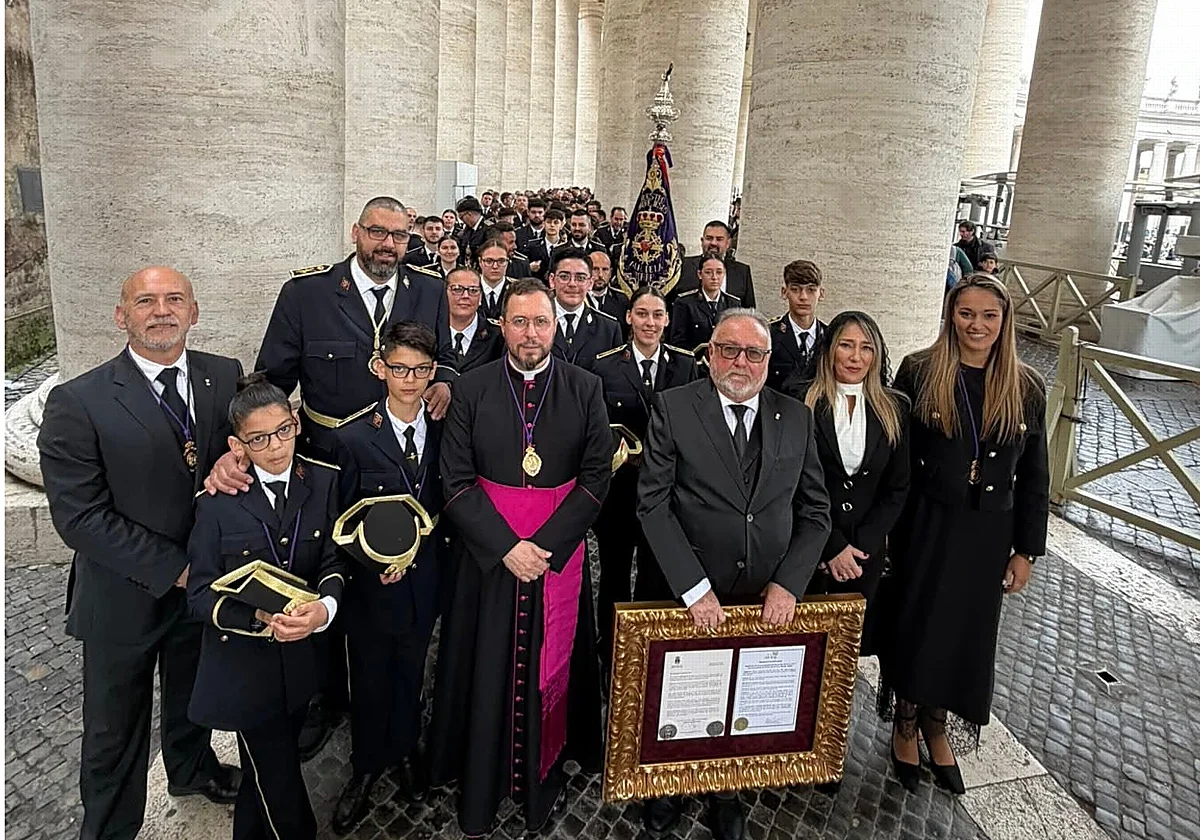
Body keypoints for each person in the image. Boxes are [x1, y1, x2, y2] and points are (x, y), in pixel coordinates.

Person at [209, 195, 457, 759]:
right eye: (377, 232)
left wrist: (448, 385)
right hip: (326, 467)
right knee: (323, 575)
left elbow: (447, 360)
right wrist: (244, 450)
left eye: (399, 234)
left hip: (406, 464)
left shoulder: (430, 289)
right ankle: (326, 695)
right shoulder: (307, 294)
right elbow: (270, 379)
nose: (388, 244)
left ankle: (395, 713)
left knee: (394, 591)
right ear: (355, 232)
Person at [38, 266, 242, 840]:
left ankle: (191, 769)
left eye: (175, 299)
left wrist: (238, 458)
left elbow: (247, 443)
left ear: (194, 312)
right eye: (145, 300)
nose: (162, 310)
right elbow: (79, 518)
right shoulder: (77, 401)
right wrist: (175, 568)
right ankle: (108, 828)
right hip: (123, 595)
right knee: (113, 730)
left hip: (200, 585)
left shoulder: (222, 375)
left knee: (192, 691)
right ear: (121, 316)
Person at [636, 308, 831, 840]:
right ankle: (669, 784)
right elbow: (652, 505)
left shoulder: (796, 417)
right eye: (729, 350)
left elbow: (816, 512)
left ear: (768, 360)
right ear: (710, 353)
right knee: (681, 698)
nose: (740, 362)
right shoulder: (674, 409)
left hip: (762, 595)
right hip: (688, 592)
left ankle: (728, 791)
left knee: (741, 703)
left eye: (754, 353)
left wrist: (790, 581)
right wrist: (693, 588)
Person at [428, 278, 611, 836]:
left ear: (555, 326)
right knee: (483, 667)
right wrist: (508, 547)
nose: (531, 334)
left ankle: (546, 768)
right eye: (519, 322)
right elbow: (455, 482)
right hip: (489, 562)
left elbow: (596, 478)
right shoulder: (474, 388)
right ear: (501, 325)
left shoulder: (585, 388)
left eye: (541, 322)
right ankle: (481, 776)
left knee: (552, 665)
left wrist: (545, 547)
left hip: (556, 560)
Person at [878, 273, 1048, 796]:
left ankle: (938, 725)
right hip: (926, 523)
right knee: (917, 624)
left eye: (989, 316)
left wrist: (1027, 550)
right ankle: (906, 723)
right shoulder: (920, 370)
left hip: (987, 531)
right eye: (967, 313)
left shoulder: (1025, 385)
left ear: (1005, 322)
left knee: (965, 635)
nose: (977, 325)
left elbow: (1036, 473)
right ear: (951, 315)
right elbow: (895, 458)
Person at [186, 374, 345, 840]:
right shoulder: (216, 504)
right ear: (237, 444)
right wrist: (255, 618)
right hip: (244, 671)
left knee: (264, 772)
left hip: (300, 666)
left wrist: (325, 610)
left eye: (283, 431)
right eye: (258, 438)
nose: (275, 446)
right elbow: (199, 594)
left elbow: (334, 562)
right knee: (279, 781)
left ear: (296, 423)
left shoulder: (323, 482)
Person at [328, 323, 447, 832]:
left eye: (420, 370)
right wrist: (373, 564)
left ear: (433, 373)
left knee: (411, 672)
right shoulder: (353, 437)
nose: (410, 379)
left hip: (424, 583)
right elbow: (339, 522)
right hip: (372, 590)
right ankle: (364, 767)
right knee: (371, 678)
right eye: (399, 368)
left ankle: (403, 751)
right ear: (381, 368)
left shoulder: (446, 428)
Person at [781, 311, 909, 653]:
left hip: (862, 558)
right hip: (805, 550)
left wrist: (861, 546)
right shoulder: (800, 400)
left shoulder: (894, 408)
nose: (856, 357)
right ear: (828, 350)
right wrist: (832, 546)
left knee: (844, 654)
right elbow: (788, 482)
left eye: (866, 348)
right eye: (846, 346)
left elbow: (897, 488)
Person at [591, 287, 698, 667]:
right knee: (615, 578)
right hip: (620, 492)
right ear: (629, 318)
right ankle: (611, 655)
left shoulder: (686, 367)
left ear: (667, 320)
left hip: (668, 496)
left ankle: (650, 657)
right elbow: (596, 430)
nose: (650, 323)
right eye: (642, 314)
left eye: (657, 315)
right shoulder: (604, 366)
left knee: (658, 576)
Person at [549, 247, 623, 369]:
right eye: (564, 276)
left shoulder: (609, 329)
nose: (572, 284)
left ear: (590, 283)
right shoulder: (534, 323)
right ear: (552, 280)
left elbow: (614, 379)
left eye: (580, 278)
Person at [767, 259, 827, 390]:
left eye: (811, 290)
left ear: (821, 294)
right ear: (784, 292)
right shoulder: (769, 335)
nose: (803, 297)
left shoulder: (829, 336)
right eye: (795, 289)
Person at [668, 254, 741, 356]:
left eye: (719, 272)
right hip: (694, 363)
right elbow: (678, 342)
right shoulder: (684, 303)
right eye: (708, 272)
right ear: (699, 274)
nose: (714, 277)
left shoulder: (733, 304)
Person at [673, 221, 755, 308]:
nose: (713, 243)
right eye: (709, 238)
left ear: (728, 243)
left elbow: (749, 310)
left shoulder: (742, 271)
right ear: (702, 241)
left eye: (719, 239)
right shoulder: (683, 266)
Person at [446, 266, 505, 373]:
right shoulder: (430, 333)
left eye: (473, 290)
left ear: (481, 297)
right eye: (457, 289)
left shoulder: (498, 336)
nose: (465, 296)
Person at [586, 249, 630, 327]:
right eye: (595, 269)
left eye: (605, 269)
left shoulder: (622, 300)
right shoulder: (578, 299)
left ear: (610, 273)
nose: (600, 275)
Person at [477, 238, 514, 321]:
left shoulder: (516, 290)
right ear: (480, 262)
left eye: (501, 261)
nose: (495, 266)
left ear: (508, 262)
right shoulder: (470, 289)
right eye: (489, 261)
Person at [526, 207, 567, 279]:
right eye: (549, 222)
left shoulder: (566, 247)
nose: (552, 225)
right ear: (544, 223)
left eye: (556, 222)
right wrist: (529, 267)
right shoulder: (532, 245)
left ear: (561, 225)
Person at [456, 195, 489, 265]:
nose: (462, 221)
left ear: (469, 214)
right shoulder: (467, 230)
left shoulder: (489, 229)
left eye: (462, 218)